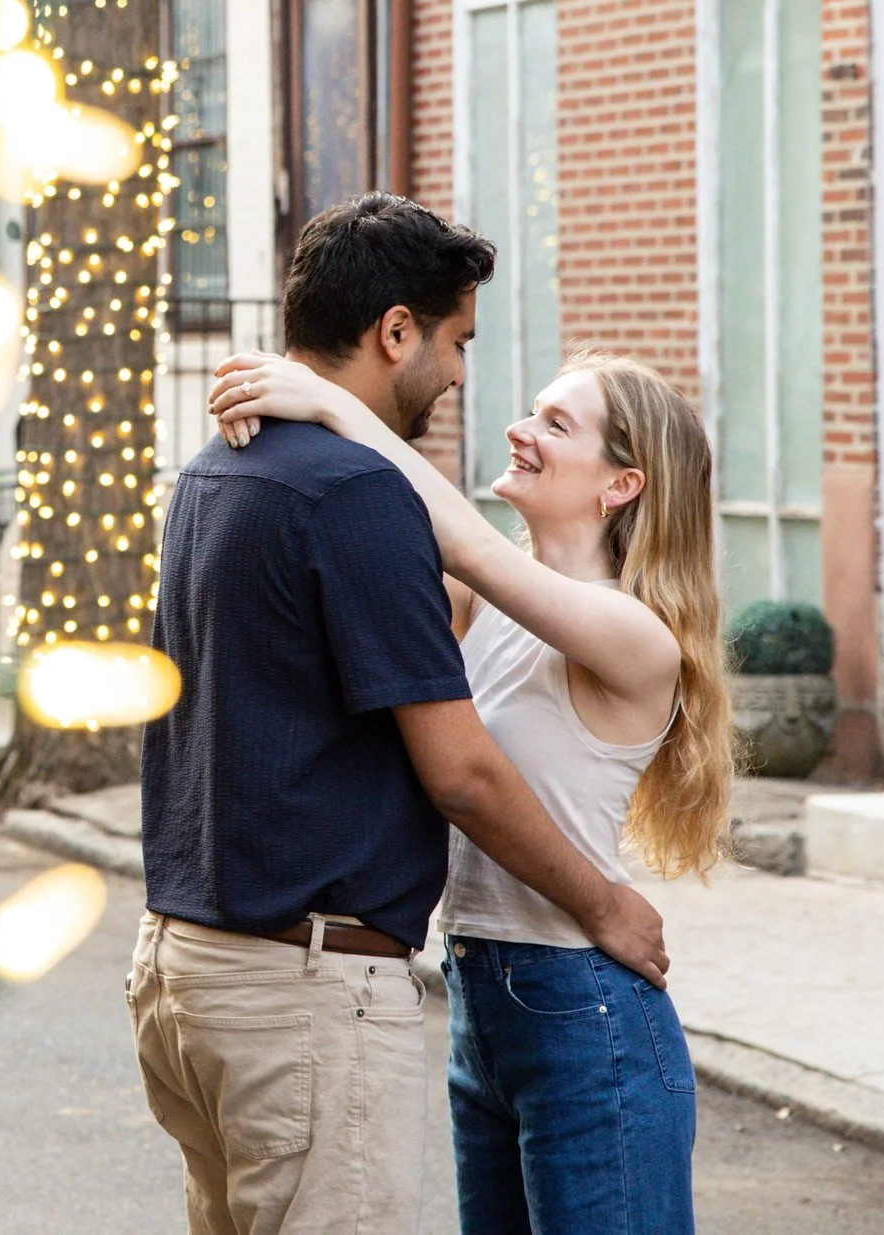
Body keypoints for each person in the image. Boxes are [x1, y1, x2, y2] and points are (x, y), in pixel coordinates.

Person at [129, 193, 670, 1235]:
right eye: (456, 340)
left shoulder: (211, 472)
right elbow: (459, 768)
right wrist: (605, 905)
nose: (463, 377)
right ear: (394, 331)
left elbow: (458, 547)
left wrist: (325, 407)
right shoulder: (354, 498)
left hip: (189, 967)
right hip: (304, 983)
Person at [208, 330, 733, 1232]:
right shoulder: (485, 603)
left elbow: (465, 542)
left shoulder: (636, 635)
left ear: (622, 483)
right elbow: (382, 541)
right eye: (534, 409)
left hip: (586, 1013)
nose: (520, 428)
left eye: (556, 423)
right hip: (476, 1001)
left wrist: (332, 401)